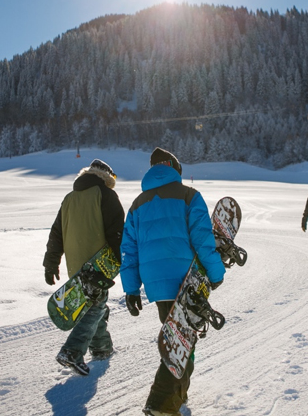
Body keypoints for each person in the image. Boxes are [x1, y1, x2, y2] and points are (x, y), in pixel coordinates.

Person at [120, 147, 226, 416]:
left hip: (157, 286)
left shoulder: (137, 204)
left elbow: (128, 251)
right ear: (175, 169)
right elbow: (203, 240)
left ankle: (177, 395)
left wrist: (131, 289)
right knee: (181, 342)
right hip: (186, 281)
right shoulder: (190, 196)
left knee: (178, 338)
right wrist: (215, 274)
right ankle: (161, 403)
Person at [43, 159, 125, 375]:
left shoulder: (69, 198)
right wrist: (119, 263)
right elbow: (117, 234)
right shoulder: (106, 195)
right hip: (98, 264)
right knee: (96, 305)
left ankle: (101, 348)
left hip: (75, 264)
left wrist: (51, 262)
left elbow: (56, 234)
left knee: (93, 303)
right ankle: (72, 351)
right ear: (106, 177)